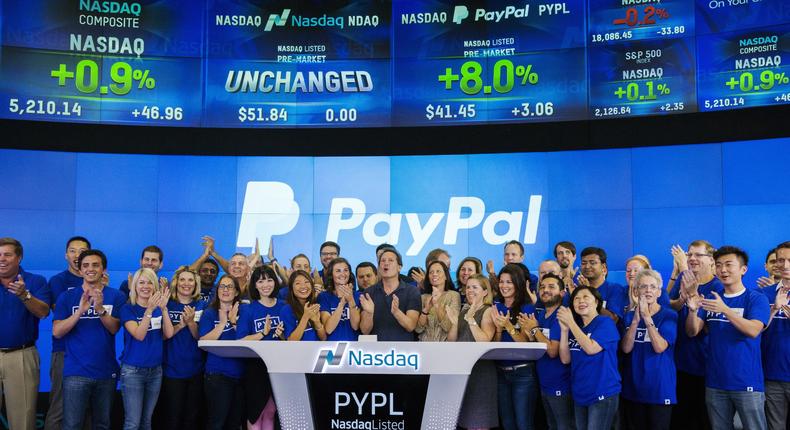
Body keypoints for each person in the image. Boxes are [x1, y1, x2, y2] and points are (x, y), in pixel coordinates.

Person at [685, 246, 770, 430]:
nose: (723, 270)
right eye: (719, 265)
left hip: (747, 382)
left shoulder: (755, 298)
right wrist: (693, 311)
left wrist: (725, 310)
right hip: (715, 382)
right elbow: (693, 331)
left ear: (743, 269)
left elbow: (754, 330)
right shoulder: (710, 297)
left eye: (728, 265)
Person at [53, 249, 126, 430]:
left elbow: (114, 328)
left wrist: (100, 309)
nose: (90, 269)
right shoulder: (67, 297)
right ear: (79, 270)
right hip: (75, 373)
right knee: (72, 425)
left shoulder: (116, 296)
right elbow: (57, 332)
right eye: (85, 265)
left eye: (95, 265)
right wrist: (79, 312)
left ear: (103, 269)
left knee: (102, 424)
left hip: (106, 373)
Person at [667, 240, 720, 430]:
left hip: (705, 365)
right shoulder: (684, 276)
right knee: (679, 418)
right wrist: (684, 298)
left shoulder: (718, 286)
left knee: (704, 419)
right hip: (679, 361)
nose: (692, 259)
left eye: (698, 255)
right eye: (689, 255)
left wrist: (693, 304)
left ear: (711, 259)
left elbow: (696, 330)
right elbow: (669, 305)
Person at [0, 238, 50, 430]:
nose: (2, 259)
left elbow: (43, 312)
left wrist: (24, 295)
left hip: (21, 355)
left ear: (19, 258)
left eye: (7, 254)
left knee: (23, 420)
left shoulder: (35, 281)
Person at [558, 286, 621, 430]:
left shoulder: (605, 323)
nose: (581, 301)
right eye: (576, 298)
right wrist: (564, 330)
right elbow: (565, 359)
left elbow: (591, 348)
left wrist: (571, 323)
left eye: (586, 297)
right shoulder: (576, 328)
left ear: (597, 302)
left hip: (602, 392)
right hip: (580, 393)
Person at [621, 269, 677, 430]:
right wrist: (635, 320)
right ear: (636, 290)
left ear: (659, 292)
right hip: (633, 389)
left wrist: (646, 317)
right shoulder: (629, 316)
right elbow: (626, 348)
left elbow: (660, 347)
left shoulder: (669, 315)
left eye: (652, 287)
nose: (648, 291)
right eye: (643, 287)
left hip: (659, 389)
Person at [119, 268, 174, 430]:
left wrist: (163, 309)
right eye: (141, 282)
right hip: (133, 371)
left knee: (146, 421)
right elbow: (139, 335)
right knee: (132, 422)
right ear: (135, 286)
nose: (145, 286)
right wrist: (149, 310)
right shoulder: (128, 309)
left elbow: (169, 334)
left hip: (155, 371)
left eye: (150, 282)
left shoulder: (159, 308)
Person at [45, 236, 90, 430]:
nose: (77, 255)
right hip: (64, 351)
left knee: (88, 409)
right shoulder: (58, 281)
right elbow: (60, 311)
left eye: (82, 251)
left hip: (91, 354)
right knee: (59, 407)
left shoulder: (99, 282)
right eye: (73, 250)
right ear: (66, 255)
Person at [520, 274, 573, 430]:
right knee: (552, 425)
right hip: (544, 383)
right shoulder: (541, 315)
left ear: (562, 293)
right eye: (542, 287)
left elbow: (552, 351)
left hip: (561, 385)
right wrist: (529, 333)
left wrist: (534, 329)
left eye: (551, 287)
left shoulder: (561, 316)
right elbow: (538, 344)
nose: (545, 290)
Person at [237, 265, 285, 430]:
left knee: (271, 411)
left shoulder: (284, 306)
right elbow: (241, 339)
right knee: (255, 413)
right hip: (256, 368)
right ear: (255, 285)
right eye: (261, 281)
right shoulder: (248, 309)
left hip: (279, 366)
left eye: (270, 280)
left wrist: (282, 336)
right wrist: (262, 333)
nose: (266, 285)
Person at [447, 274, 498, 430]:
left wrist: (471, 319)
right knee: (464, 422)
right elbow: (451, 341)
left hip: (481, 373)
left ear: (484, 292)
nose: (470, 290)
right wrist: (456, 323)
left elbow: (484, 341)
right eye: (468, 287)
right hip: (463, 371)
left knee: (478, 422)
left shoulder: (487, 311)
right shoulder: (464, 311)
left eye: (475, 287)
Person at [492, 264, 538, 430]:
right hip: (500, 372)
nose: (504, 286)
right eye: (502, 282)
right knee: (508, 424)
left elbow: (526, 345)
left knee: (523, 424)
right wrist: (498, 329)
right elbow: (493, 346)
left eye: (509, 282)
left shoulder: (527, 308)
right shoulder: (495, 307)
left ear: (518, 283)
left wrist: (509, 326)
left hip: (523, 373)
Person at [161, 266, 205, 429]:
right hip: (171, 370)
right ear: (176, 283)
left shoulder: (201, 305)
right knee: (172, 417)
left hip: (196, 369)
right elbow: (162, 337)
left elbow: (201, 338)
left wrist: (191, 322)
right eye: (182, 280)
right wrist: (180, 324)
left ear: (195, 284)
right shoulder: (167, 305)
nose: (186, 284)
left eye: (190, 280)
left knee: (191, 418)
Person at [199, 275, 243, 430]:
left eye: (229, 286)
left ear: (236, 292)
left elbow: (248, 339)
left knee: (234, 423)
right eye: (222, 287)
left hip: (240, 375)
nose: (225, 290)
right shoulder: (209, 313)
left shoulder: (244, 312)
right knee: (216, 422)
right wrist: (223, 323)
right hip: (217, 375)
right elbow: (203, 341)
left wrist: (233, 321)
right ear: (217, 291)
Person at [359, 248, 421, 341]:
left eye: (390, 260)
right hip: (376, 353)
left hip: (404, 352)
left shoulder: (412, 291)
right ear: (379, 267)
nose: (386, 263)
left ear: (399, 267)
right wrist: (369, 314)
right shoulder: (369, 293)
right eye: (383, 261)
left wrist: (396, 312)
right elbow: (365, 331)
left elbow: (411, 326)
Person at [762, 241, 790, 430]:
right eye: (781, 260)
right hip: (771, 374)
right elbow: (753, 330)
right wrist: (773, 310)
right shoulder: (762, 294)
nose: (785, 265)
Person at [577, 247, 626, 322]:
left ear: (603, 267)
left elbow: (613, 319)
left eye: (592, 263)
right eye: (584, 263)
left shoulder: (615, 289)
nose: (587, 266)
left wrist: (590, 293)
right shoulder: (577, 290)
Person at [415, 260, 461, 342]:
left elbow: (448, 327)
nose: (434, 274)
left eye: (438, 271)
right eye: (431, 272)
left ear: (446, 276)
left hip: (445, 348)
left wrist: (437, 305)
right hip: (424, 346)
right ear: (428, 277)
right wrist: (425, 310)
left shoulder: (453, 295)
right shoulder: (423, 297)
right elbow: (418, 329)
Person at [319, 258, 360, 341]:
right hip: (332, 347)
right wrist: (342, 303)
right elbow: (328, 329)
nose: (343, 274)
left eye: (346, 270)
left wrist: (351, 300)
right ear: (331, 274)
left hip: (354, 348)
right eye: (338, 271)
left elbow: (355, 326)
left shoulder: (358, 296)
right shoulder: (324, 296)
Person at [281, 270, 327, 341]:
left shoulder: (317, 304)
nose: (303, 286)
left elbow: (324, 338)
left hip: (317, 350)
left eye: (306, 282)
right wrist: (305, 317)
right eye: (298, 283)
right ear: (291, 288)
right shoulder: (287, 310)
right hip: (299, 351)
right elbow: (291, 341)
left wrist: (317, 322)